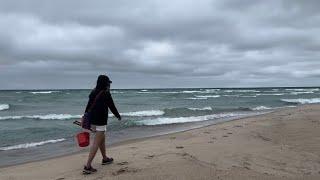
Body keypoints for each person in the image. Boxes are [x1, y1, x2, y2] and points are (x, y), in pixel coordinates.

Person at [83, 75, 121, 174]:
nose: (109, 84)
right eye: (108, 82)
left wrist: (84, 116)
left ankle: (105, 158)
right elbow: (112, 106)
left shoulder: (93, 92)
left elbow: (88, 106)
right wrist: (118, 115)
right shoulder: (106, 93)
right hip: (100, 121)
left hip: (93, 120)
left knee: (101, 138)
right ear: (105, 83)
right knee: (96, 143)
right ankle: (88, 166)